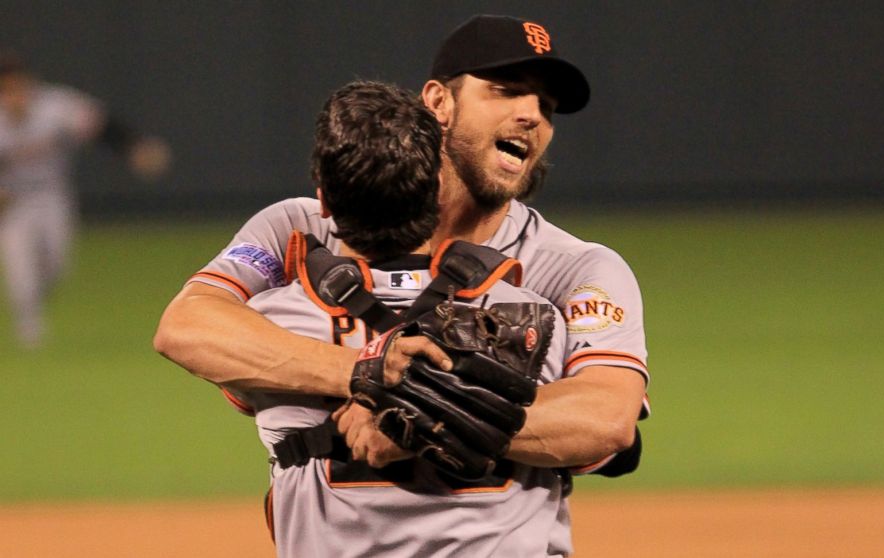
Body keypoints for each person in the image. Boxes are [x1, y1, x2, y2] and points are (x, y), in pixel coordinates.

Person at [156, 14, 646, 493]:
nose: (532, 114)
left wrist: (416, 418)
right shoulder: (302, 227)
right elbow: (187, 327)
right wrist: (364, 373)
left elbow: (608, 420)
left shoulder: (574, 266)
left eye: (547, 105)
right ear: (439, 101)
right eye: (506, 90)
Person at [229, 79, 572, 556]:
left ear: (324, 202)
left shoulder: (269, 323)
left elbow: (213, 355)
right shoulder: (534, 321)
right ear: (436, 191)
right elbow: (599, 440)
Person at [0, 51, 170, 347]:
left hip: (52, 196)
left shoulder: (54, 106)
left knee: (56, 264)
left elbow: (101, 125)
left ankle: (33, 304)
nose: (15, 94)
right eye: (7, 88)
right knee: (21, 268)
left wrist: (135, 147)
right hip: (13, 204)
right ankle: (29, 323)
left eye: (18, 86)